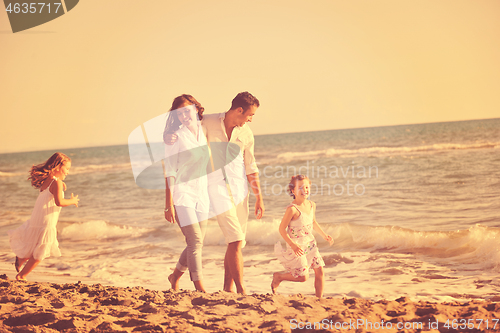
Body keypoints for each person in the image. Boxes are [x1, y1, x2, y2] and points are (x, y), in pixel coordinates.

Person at [166, 92, 265, 294]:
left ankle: (221, 288)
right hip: (214, 188)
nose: (251, 119)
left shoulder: (246, 134)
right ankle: (241, 290)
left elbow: (250, 166)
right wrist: (170, 136)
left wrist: (259, 197)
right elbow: (188, 136)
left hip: (239, 191)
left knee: (234, 243)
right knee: (235, 239)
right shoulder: (209, 122)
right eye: (250, 115)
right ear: (239, 110)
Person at [163, 94, 210, 292]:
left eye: (187, 110)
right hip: (183, 194)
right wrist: (169, 204)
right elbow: (170, 171)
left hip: (202, 194)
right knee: (196, 241)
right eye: (179, 113)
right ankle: (200, 288)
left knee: (194, 242)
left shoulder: (205, 129)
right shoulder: (175, 137)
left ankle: (174, 276)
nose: (184, 115)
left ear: (196, 109)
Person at [8, 152, 79, 281]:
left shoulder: (49, 181)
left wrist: (60, 184)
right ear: (57, 166)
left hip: (38, 218)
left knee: (35, 245)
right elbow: (59, 202)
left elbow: (52, 191)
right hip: (47, 221)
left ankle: (21, 258)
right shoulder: (56, 183)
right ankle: (22, 275)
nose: (68, 172)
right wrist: (72, 200)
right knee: (40, 252)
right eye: (67, 169)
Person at [272, 175, 333, 298]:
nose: (304, 190)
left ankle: (319, 299)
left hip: (310, 243)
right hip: (297, 246)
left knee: (319, 270)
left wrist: (324, 235)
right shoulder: (292, 210)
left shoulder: (311, 205)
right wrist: (293, 245)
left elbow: (313, 222)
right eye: (300, 187)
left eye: (306, 187)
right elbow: (281, 229)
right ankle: (279, 277)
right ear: (293, 191)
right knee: (303, 277)